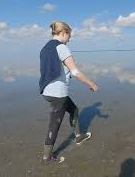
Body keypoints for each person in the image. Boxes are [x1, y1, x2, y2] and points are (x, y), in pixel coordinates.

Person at [39, 21, 99, 163]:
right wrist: (91, 83)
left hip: (46, 90)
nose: (69, 39)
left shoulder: (45, 48)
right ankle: (47, 157)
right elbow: (75, 71)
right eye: (69, 36)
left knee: (74, 109)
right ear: (63, 33)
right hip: (58, 92)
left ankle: (78, 137)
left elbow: (49, 69)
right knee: (55, 123)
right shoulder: (62, 48)